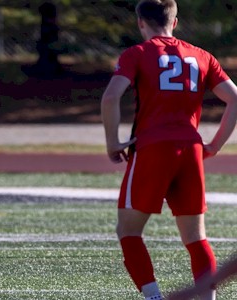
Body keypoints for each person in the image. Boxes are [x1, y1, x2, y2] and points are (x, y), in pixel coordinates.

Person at [100, 1, 237, 299]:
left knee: (128, 231)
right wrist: (214, 144)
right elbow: (234, 98)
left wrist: (112, 142)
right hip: (190, 149)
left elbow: (111, 98)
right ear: (175, 22)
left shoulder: (137, 53)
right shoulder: (201, 55)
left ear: (141, 22)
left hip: (152, 147)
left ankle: (154, 297)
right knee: (196, 237)